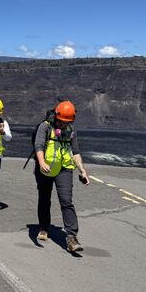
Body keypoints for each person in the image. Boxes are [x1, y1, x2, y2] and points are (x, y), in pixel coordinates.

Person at [33, 100, 90, 252]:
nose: (64, 124)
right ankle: (44, 227)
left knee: (66, 201)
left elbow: (75, 151)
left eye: (67, 122)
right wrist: (41, 162)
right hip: (45, 168)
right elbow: (38, 145)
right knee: (44, 198)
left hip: (64, 168)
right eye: (62, 121)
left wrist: (82, 170)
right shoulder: (44, 127)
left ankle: (72, 238)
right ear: (56, 116)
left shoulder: (71, 129)